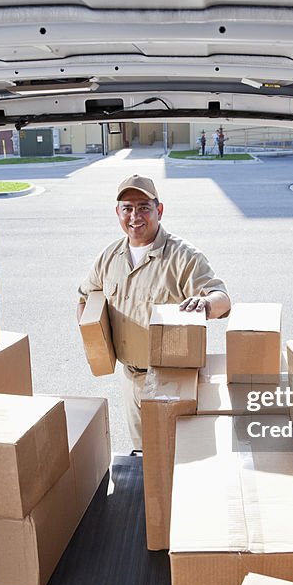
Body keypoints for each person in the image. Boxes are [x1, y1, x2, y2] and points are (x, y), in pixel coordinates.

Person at [77, 175, 231, 449]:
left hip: (171, 379)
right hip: (130, 377)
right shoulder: (109, 257)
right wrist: (94, 339)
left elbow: (222, 299)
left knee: (177, 454)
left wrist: (205, 305)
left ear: (159, 210)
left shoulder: (184, 256)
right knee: (143, 455)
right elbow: (84, 298)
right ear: (118, 213)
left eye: (143, 207)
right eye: (127, 208)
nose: (135, 216)